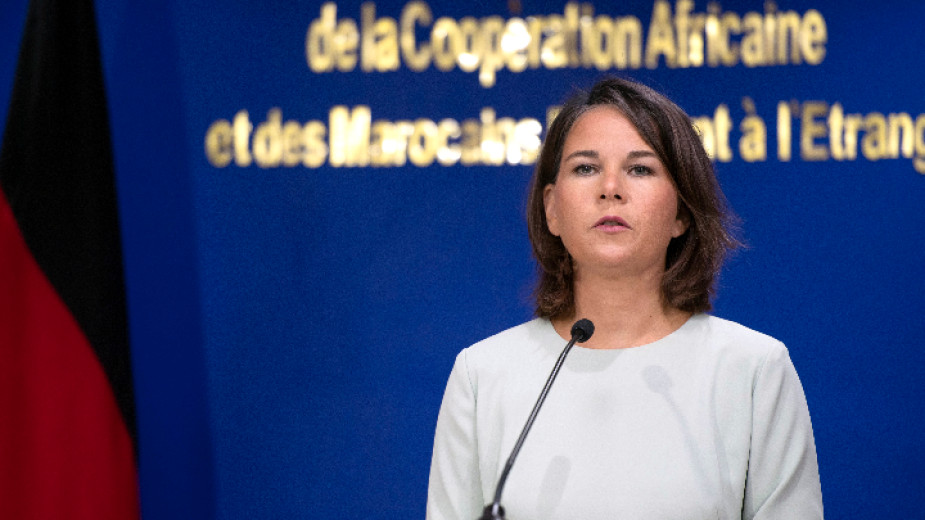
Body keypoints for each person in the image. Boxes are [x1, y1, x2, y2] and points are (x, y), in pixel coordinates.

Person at [426, 76, 823, 520]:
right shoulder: (482, 376)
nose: (610, 188)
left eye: (640, 169)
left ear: (681, 211)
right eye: (585, 168)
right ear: (552, 209)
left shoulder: (754, 371)